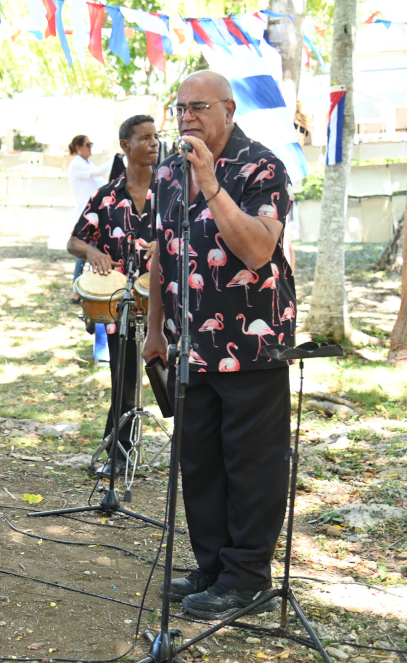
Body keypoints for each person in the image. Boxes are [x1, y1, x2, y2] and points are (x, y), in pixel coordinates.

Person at [142, 71, 296, 620]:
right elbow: (163, 247)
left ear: (228, 110)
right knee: (200, 460)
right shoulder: (168, 171)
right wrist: (155, 327)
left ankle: (247, 576)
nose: (186, 116)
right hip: (190, 346)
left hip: (251, 349)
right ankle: (212, 567)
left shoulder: (262, 167)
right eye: (179, 107)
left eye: (199, 106)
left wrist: (211, 184)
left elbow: (257, 250)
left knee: (250, 465)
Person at [68, 115, 158, 478]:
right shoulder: (106, 196)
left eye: (157, 138)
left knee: (173, 382)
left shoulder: (173, 192)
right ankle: (120, 454)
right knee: (125, 380)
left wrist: (164, 249)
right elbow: (74, 240)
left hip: (165, 302)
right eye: (145, 138)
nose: (154, 144)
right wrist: (91, 252)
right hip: (121, 305)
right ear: (126, 146)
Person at [66, 135, 112, 305]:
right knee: (84, 253)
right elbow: (99, 173)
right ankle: (77, 292)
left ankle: (90, 289)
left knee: (93, 252)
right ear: (78, 147)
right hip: (85, 218)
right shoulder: (77, 164)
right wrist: (116, 157)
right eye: (88, 144)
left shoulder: (87, 163)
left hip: (94, 215)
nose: (91, 147)